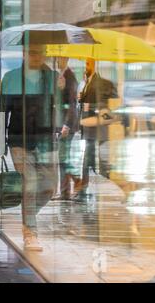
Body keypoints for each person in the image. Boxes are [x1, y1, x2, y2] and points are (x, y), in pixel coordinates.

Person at [0, 44, 59, 251]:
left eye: (40, 51)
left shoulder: (53, 78)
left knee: (50, 187)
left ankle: (28, 213)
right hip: (19, 140)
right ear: (24, 53)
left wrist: (64, 88)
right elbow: (1, 111)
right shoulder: (11, 78)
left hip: (45, 141)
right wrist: (0, 144)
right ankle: (30, 233)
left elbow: (64, 108)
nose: (37, 55)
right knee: (30, 183)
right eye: (33, 51)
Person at [75, 58, 118, 202]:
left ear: (95, 64)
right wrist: (82, 98)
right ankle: (87, 185)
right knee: (90, 158)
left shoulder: (101, 83)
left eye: (88, 63)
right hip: (90, 127)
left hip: (96, 127)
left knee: (97, 158)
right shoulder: (88, 82)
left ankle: (92, 185)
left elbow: (102, 104)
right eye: (86, 63)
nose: (86, 66)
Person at [51, 57, 79, 201]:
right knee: (63, 158)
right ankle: (66, 190)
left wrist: (66, 125)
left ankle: (71, 186)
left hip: (66, 126)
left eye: (60, 57)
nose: (57, 60)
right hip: (60, 124)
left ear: (66, 58)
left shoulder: (70, 77)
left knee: (63, 158)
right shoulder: (60, 76)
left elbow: (72, 104)